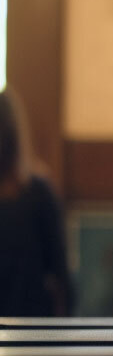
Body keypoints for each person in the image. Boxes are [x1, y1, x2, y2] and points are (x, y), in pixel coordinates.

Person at [0, 89, 73, 317]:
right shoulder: (39, 193)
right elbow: (63, 279)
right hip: (33, 328)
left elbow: (62, 279)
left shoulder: (39, 194)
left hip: (31, 327)